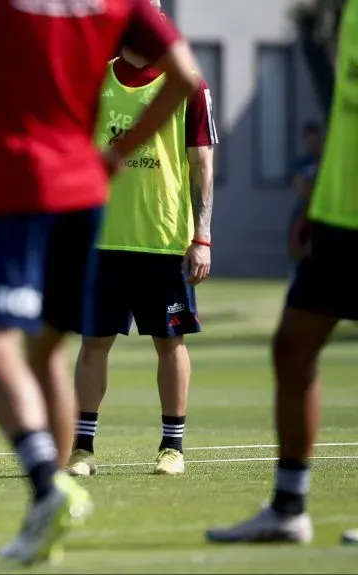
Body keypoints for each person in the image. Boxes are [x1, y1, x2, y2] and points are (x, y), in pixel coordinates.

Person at [0, 0, 199, 565]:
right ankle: (53, 514)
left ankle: (47, 486)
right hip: (85, 193)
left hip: (19, 187)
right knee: (47, 353)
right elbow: (186, 75)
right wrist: (119, 153)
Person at [206, 0, 357, 545]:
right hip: (341, 218)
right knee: (292, 348)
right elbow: (347, 115)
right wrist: (317, 201)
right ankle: (289, 507)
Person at [67, 0, 218, 478]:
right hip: (103, 239)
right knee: (93, 343)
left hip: (164, 239)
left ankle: (172, 447)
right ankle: (82, 449)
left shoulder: (188, 83)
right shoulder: (94, 76)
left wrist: (203, 235)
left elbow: (202, 164)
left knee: (169, 343)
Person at [287, 121, 323, 262]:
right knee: (296, 228)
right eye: (310, 137)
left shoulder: (324, 160)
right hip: (304, 205)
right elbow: (298, 186)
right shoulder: (302, 162)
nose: (312, 140)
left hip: (321, 205)